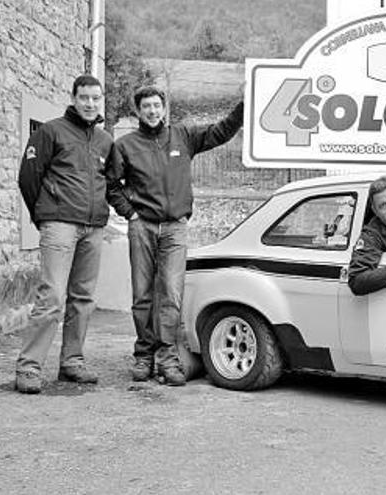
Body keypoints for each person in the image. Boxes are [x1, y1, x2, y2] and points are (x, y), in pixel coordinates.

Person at [106, 86, 243, 386]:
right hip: (142, 226)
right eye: (146, 107)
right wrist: (130, 214)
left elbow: (220, 132)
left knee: (170, 292)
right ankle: (143, 355)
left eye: (157, 105)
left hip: (175, 227)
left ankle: (167, 358)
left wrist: (244, 108)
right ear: (138, 111)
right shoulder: (126, 145)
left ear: (165, 108)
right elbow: (112, 185)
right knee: (142, 294)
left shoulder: (183, 136)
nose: (152, 111)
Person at [15, 75, 115, 394]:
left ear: (101, 101)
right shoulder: (51, 131)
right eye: (84, 97)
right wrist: (43, 214)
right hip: (59, 222)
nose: (89, 103)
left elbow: (110, 183)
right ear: (73, 98)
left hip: (93, 227)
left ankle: (72, 362)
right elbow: (28, 177)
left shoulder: (105, 140)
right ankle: (29, 367)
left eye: (95, 98)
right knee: (53, 296)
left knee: (83, 298)